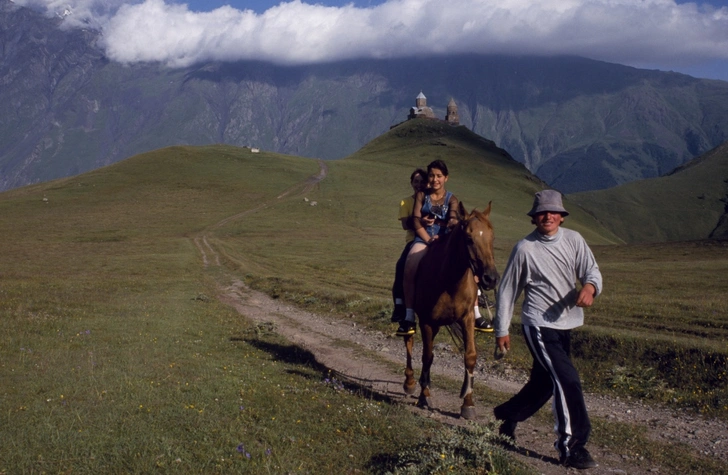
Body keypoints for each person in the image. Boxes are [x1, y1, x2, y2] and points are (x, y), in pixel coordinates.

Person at [492, 190, 602, 470]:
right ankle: (571, 448)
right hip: (538, 326)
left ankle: (509, 415)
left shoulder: (574, 240)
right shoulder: (525, 249)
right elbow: (507, 291)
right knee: (567, 380)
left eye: (554, 212)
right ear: (534, 218)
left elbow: (592, 271)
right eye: (542, 212)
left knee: (544, 383)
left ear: (562, 217)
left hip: (566, 324)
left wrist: (590, 288)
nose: (548, 216)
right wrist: (501, 329)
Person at [395, 160, 493, 336]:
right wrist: (427, 239)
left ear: (446, 178)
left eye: (439, 176)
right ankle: (409, 315)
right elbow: (416, 220)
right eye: (432, 175)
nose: (435, 179)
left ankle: (476, 313)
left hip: (444, 238)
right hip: (423, 238)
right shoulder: (421, 196)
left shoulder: (452, 199)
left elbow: (453, 218)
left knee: (468, 264)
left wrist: (452, 224)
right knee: (410, 264)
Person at [391, 168, 428, 322]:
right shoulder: (406, 202)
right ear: (412, 183)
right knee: (401, 266)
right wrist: (421, 221)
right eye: (415, 182)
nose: (418, 184)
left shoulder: (432, 200)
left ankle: (477, 295)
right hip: (414, 239)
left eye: (421, 182)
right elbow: (406, 225)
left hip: (434, 237)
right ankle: (400, 305)